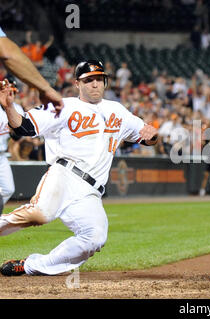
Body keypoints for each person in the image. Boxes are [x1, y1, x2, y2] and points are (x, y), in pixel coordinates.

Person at [0, 60, 158, 276]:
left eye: (99, 79)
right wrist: (9, 107)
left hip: (90, 192)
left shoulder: (117, 111)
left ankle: (30, 266)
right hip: (64, 174)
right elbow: (24, 128)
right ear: (77, 83)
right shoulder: (62, 106)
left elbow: (146, 135)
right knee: (38, 215)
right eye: (88, 80)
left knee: (95, 237)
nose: (95, 84)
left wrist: (152, 136)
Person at [0, 27, 63, 113]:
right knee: (28, 86)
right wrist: (46, 89)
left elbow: (46, 46)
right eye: (37, 44)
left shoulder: (40, 50)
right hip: (28, 68)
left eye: (39, 44)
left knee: (33, 87)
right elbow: (8, 54)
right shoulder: (32, 48)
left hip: (33, 69)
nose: (37, 46)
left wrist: (51, 40)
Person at [0, 80, 24, 215]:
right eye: (7, 92)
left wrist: (13, 129)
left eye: (13, 92)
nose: (10, 95)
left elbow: (17, 137)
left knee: (8, 189)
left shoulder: (17, 109)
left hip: (2, 155)